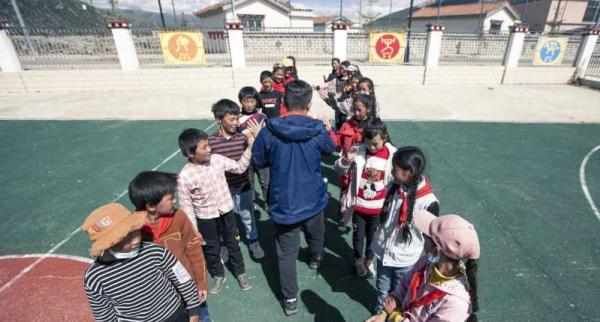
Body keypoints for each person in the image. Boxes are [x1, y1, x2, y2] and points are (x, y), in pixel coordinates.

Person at [252, 79, 335, 316]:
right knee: (316, 233)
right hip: (313, 197)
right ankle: (316, 258)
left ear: (284, 102)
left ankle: (290, 299)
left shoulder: (269, 130)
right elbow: (330, 150)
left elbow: (258, 160)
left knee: (285, 253)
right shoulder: (317, 129)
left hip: (284, 201)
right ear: (309, 103)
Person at [82, 203, 202, 322]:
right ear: (109, 243)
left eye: (135, 231)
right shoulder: (95, 277)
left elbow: (183, 280)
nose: (135, 239)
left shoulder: (156, 252)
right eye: (125, 238)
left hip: (176, 315)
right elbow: (104, 315)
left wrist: (194, 311)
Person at [177, 123, 259, 295]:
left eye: (208, 145)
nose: (209, 149)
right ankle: (218, 274)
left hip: (226, 211)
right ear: (191, 153)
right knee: (211, 248)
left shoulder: (217, 160)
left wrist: (251, 145)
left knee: (233, 243)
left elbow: (239, 167)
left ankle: (240, 272)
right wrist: (194, 229)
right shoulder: (185, 176)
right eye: (204, 147)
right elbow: (186, 206)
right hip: (205, 218)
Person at [128, 171, 212, 322]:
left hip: (190, 289)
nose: (175, 201)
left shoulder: (179, 217)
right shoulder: (132, 230)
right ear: (151, 206)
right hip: (162, 302)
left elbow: (194, 250)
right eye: (170, 198)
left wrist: (201, 283)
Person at [366, 211, 480, 322]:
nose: (423, 238)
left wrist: (393, 316)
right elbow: (403, 287)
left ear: (437, 249)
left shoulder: (456, 303)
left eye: (426, 235)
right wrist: (383, 314)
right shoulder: (425, 263)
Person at [370, 147, 440, 314]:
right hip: (384, 253)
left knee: (400, 294)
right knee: (382, 287)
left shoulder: (428, 202)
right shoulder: (396, 186)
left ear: (409, 172)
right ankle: (380, 312)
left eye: (395, 169)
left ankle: (395, 316)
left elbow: (431, 238)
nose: (392, 172)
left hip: (406, 260)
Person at [334, 119, 396, 278]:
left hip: (378, 208)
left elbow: (395, 179)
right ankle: (357, 260)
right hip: (359, 206)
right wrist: (346, 160)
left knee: (373, 238)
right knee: (358, 236)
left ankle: (369, 260)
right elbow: (338, 168)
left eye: (375, 144)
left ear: (385, 137)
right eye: (368, 144)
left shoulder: (392, 156)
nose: (372, 148)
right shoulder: (358, 151)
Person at [238, 87, 270, 212]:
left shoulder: (262, 116)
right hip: (246, 157)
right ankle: (251, 204)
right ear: (241, 102)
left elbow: (267, 136)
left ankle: (269, 204)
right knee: (249, 182)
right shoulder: (238, 119)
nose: (249, 104)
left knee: (266, 183)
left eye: (252, 101)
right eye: (246, 101)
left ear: (256, 101)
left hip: (262, 156)